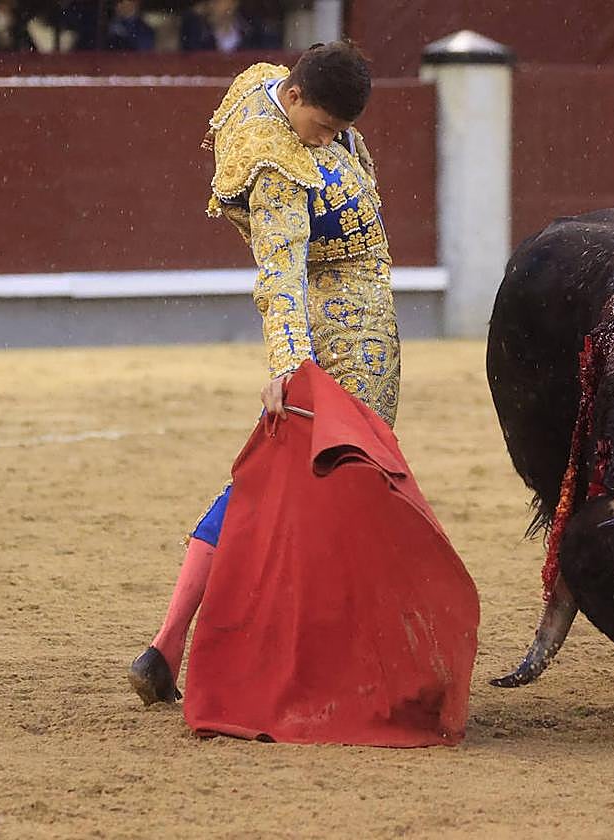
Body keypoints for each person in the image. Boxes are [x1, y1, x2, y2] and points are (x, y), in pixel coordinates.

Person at [129, 41, 400, 706]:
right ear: (299, 99)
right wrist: (289, 365)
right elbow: (279, 275)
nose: (334, 139)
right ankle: (298, 659)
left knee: (269, 482)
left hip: (344, 323)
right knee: (334, 487)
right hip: (341, 339)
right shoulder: (278, 167)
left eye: (343, 129)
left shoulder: (270, 86)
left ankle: (168, 644)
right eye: (327, 127)